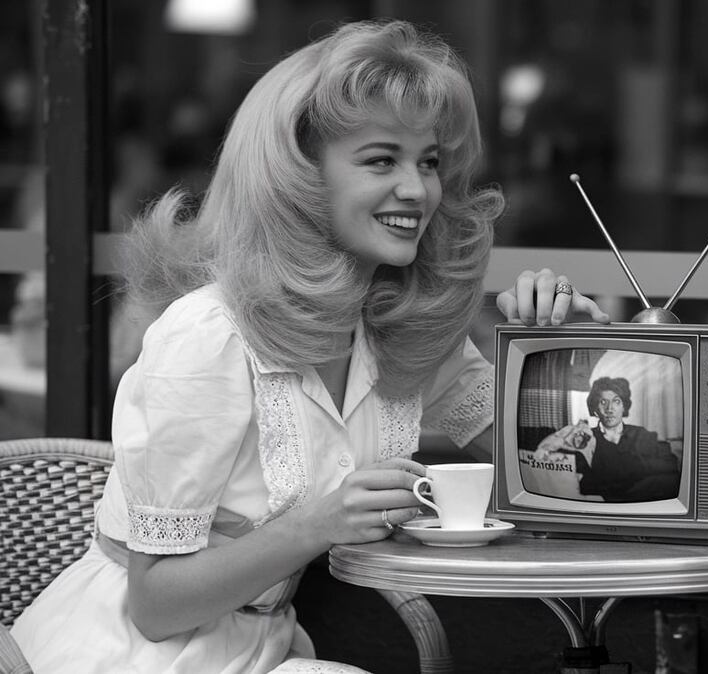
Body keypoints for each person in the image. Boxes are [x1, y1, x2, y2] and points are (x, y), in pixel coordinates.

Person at [10, 19, 607, 674]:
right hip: (128, 653)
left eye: (429, 161)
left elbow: (558, 479)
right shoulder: (208, 336)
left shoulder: (397, 325)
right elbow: (155, 605)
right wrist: (317, 525)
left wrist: (558, 353)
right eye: (381, 160)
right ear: (298, 176)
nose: (417, 189)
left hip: (263, 649)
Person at [575, 376, 680, 502]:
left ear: (624, 406)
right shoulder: (586, 439)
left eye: (616, 401)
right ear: (595, 409)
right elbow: (585, 485)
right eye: (603, 402)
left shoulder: (642, 435)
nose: (609, 409)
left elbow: (671, 467)